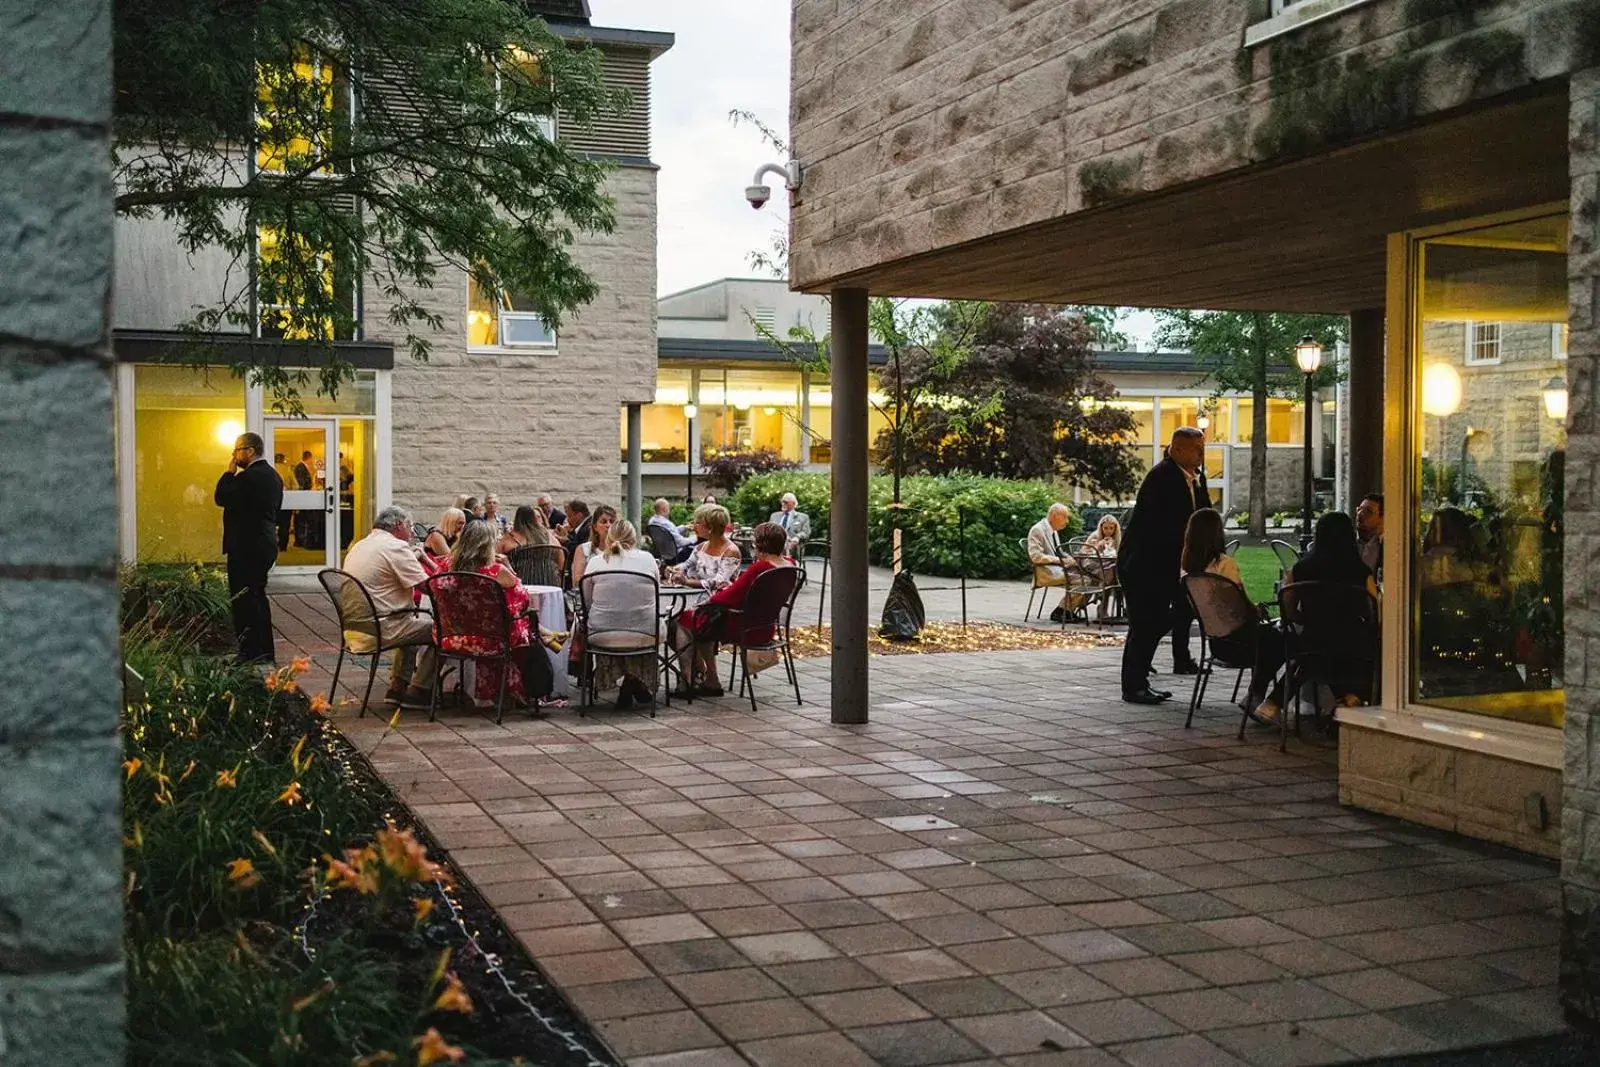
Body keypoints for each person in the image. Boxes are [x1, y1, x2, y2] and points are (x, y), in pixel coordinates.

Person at [1118, 427, 1208, 704]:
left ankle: (1173, 662)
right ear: (1178, 449)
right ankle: (1134, 685)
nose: (1202, 454)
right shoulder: (1162, 477)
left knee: (1180, 612)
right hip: (1146, 566)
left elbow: (1201, 515)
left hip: (1171, 566)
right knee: (1146, 625)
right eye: (1198, 449)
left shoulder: (1195, 478)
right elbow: (1159, 527)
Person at [1181, 508, 1287, 724]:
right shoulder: (1224, 565)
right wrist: (1256, 609)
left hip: (1215, 641)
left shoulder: (1188, 569)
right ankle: (1260, 696)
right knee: (1285, 639)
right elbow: (1239, 607)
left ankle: (1257, 695)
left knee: (1274, 639)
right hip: (1240, 642)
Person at [670, 521, 790, 696]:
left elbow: (732, 595)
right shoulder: (789, 565)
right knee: (701, 620)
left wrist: (707, 602)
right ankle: (705, 676)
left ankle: (693, 680)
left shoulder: (760, 568)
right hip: (765, 626)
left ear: (760, 545)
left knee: (687, 619)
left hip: (744, 626)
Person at [444, 521, 549, 709]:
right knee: (523, 623)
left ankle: (545, 634)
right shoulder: (496, 571)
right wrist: (508, 565)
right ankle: (519, 688)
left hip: (453, 635)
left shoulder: (446, 566)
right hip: (493, 638)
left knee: (517, 621)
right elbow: (523, 598)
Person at [342, 506, 438, 709]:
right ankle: (419, 691)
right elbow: (429, 588)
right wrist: (428, 561)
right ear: (399, 525)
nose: (412, 533)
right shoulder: (395, 547)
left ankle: (397, 687)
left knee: (412, 621)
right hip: (381, 628)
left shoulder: (360, 544)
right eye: (410, 527)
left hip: (353, 629)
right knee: (442, 631)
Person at [1287, 510, 1381, 709]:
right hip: (1354, 646)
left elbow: (1287, 609)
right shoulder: (1360, 571)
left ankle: (1274, 702)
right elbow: (1374, 612)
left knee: (1317, 655)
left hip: (1312, 644)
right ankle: (1350, 698)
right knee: (1378, 651)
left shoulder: (1301, 569)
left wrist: (1306, 619)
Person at [214, 432, 284, 664]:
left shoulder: (248, 477)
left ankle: (249, 651)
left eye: (237, 450)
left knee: (243, 600)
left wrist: (228, 472)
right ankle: (264, 650)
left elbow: (221, 496)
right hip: (264, 544)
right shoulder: (273, 476)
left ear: (250, 451)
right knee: (257, 597)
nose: (234, 455)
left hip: (246, 547)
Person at [580, 520, 661, 710]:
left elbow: (586, 601)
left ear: (609, 538)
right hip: (645, 634)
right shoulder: (648, 559)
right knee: (642, 621)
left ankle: (628, 683)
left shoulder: (596, 561)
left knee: (614, 621)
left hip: (601, 635)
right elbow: (657, 594)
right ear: (634, 539)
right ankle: (633, 682)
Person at [665, 503, 743, 595]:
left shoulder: (731, 552)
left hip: (722, 602)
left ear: (710, 527)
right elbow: (687, 565)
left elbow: (719, 582)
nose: (693, 526)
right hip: (703, 599)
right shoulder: (701, 547)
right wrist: (675, 570)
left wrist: (686, 582)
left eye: (697, 522)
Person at [1026, 503, 1073, 623]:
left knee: (1091, 577)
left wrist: (1072, 559)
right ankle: (1062, 610)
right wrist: (1061, 561)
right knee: (1086, 581)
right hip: (1046, 572)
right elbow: (1036, 557)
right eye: (1065, 517)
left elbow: (1059, 552)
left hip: (1057, 569)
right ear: (1055, 516)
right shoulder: (1038, 530)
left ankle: (1068, 610)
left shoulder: (1053, 531)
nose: (1067, 521)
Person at [570, 504, 618, 585]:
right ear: (595, 527)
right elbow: (577, 581)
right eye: (604, 522)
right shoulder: (584, 549)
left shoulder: (620, 549)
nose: (608, 525)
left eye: (612, 522)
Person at [648, 498, 696, 564]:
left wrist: (684, 527)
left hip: (664, 554)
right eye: (669, 508)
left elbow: (668, 533)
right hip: (675, 556)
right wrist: (694, 538)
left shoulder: (652, 521)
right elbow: (681, 542)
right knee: (697, 547)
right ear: (664, 509)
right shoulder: (666, 523)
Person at [562, 500, 593, 584]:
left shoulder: (587, 528)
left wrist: (565, 541)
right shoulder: (585, 525)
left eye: (569, 516)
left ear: (579, 515)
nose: (568, 520)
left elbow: (578, 549)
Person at [1356, 493, 1384, 580]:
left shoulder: (1388, 545)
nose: (1360, 514)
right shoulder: (1347, 542)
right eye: (1359, 509)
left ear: (1382, 518)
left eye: (1368, 511)